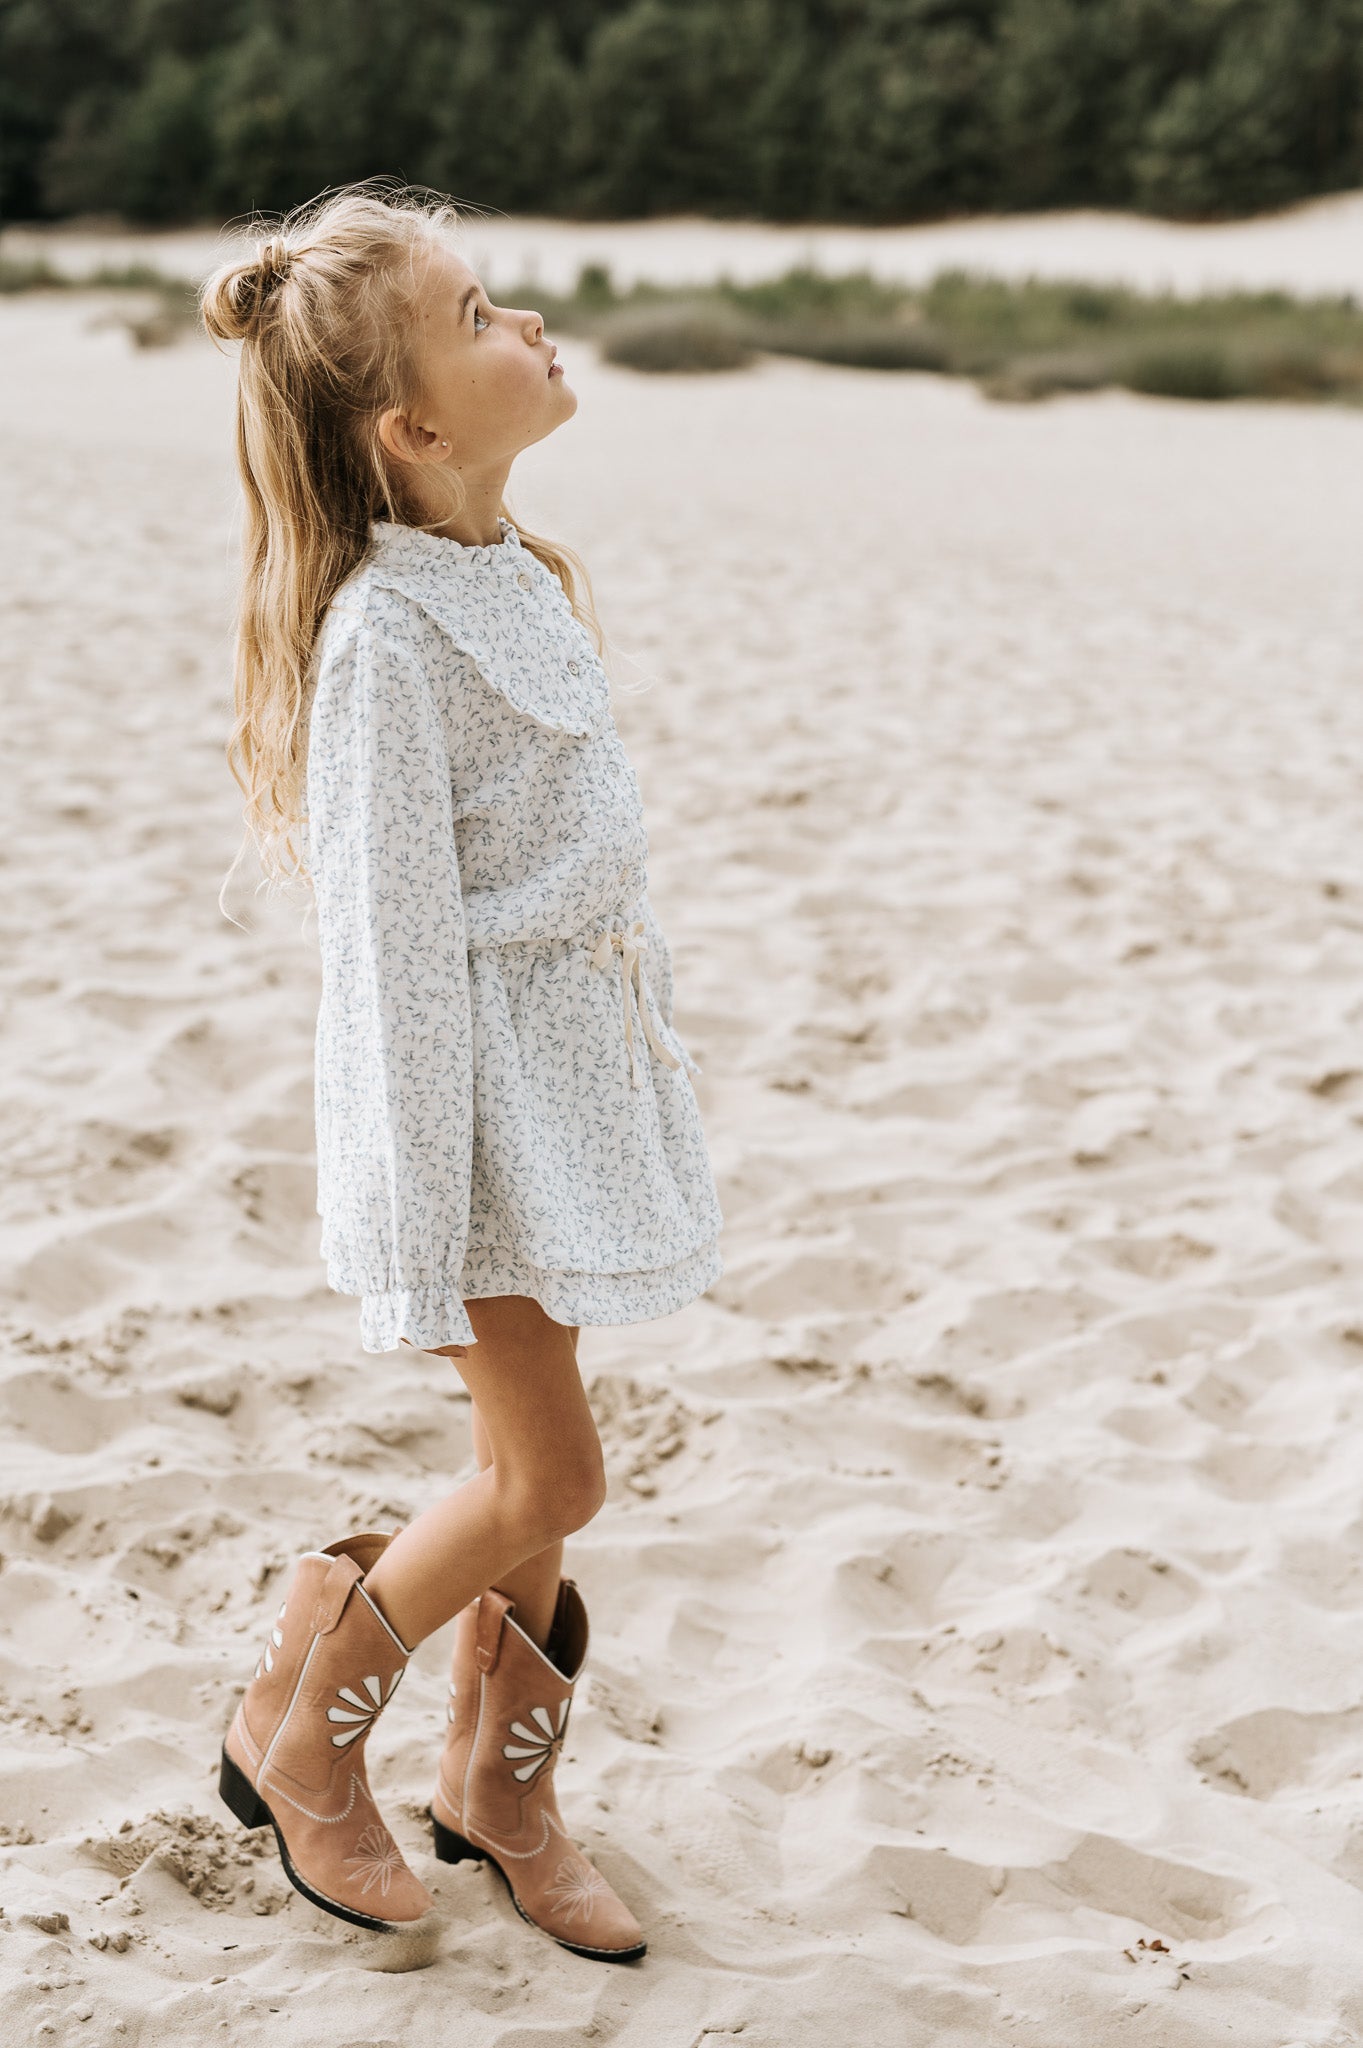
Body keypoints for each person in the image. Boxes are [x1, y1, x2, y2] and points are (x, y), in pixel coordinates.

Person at [197, 178, 725, 1963]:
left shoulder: (512, 575)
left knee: (529, 1472)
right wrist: (424, 1208)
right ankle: (305, 1744)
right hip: (471, 1131)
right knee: (550, 1478)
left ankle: (502, 1792)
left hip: (567, 1105)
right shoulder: (388, 642)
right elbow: (394, 956)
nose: (529, 325)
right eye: (483, 313)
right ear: (411, 424)